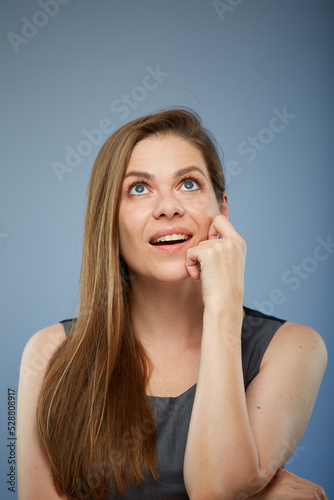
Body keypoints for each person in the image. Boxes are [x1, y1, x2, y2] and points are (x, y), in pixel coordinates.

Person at [17, 108, 328, 499]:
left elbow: (215, 489)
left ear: (222, 209)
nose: (168, 207)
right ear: (109, 220)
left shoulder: (293, 349)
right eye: (139, 189)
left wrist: (223, 308)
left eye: (188, 184)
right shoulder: (46, 354)